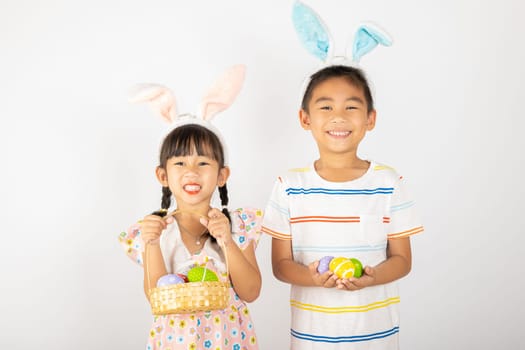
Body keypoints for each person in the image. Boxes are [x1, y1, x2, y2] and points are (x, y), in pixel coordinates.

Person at [262, 64, 424, 349]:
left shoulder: (388, 182)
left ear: (370, 119)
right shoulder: (289, 185)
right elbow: (280, 265)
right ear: (305, 118)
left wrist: (371, 278)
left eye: (351, 107)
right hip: (311, 339)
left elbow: (402, 260)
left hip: (376, 337)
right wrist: (311, 277)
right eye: (325, 107)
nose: (338, 117)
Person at [118, 65, 262, 349]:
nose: (191, 173)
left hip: (229, 340)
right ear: (163, 175)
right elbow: (156, 298)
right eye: (180, 163)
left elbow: (251, 291)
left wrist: (227, 240)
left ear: (222, 175)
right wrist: (151, 244)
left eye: (203, 163)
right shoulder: (156, 230)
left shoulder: (238, 223)